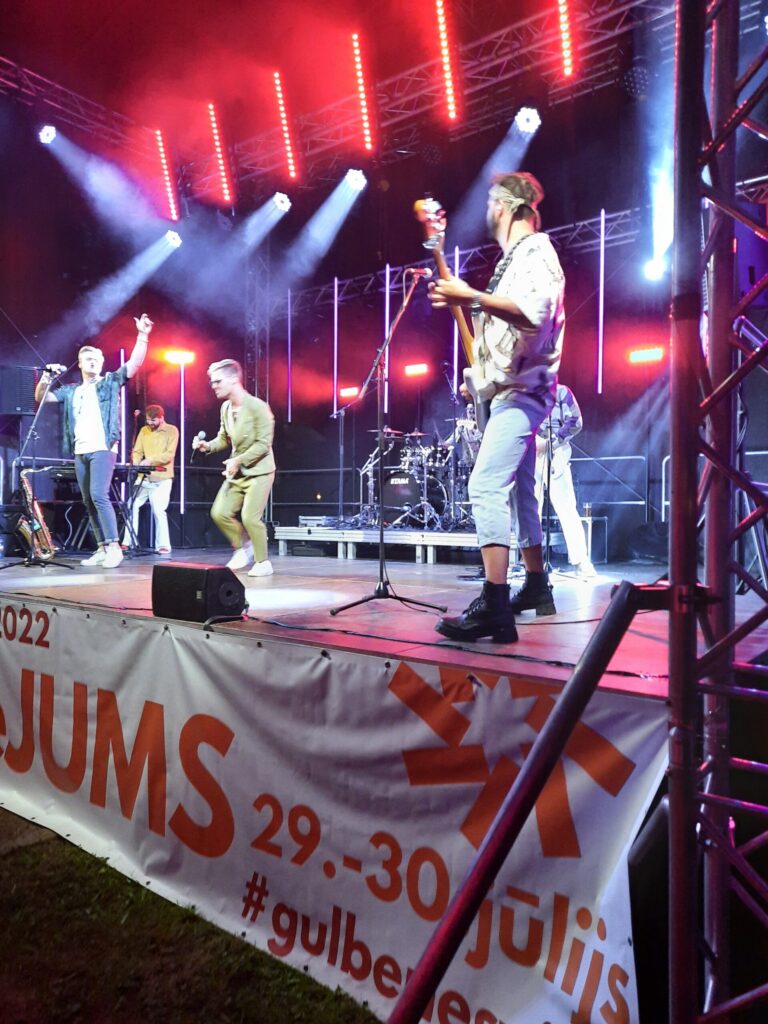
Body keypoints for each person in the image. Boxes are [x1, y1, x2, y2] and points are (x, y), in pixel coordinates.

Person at [428, 172, 565, 641]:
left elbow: (535, 318)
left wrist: (471, 296)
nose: (487, 210)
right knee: (521, 492)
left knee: (484, 484)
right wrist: (481, 378)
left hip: (524, 393)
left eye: (490, 202)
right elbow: (502, 334)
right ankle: (537, 586)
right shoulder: (515, 260)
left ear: (505, 206)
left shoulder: (536, 252)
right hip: (514, 389)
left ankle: (494, 603)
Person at [34, 314, 154, 569]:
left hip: (102, 448)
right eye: (88, 359)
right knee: (88, 500)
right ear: (79, 364)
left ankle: (114, 548)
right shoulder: (72, 390)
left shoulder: (109, 382)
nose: (93, 362)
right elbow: (43, 398)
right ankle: (101, 547)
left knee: (99, 495)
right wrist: (46, 377)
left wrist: (142, 335)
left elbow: (134, 363)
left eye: (97, 359)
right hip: (81, 450)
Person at [193, 359, 276, 577]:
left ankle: (263, 561)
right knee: (219, 512)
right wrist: (207, 446)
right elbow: (224, 438)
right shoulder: (226, 408)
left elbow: (263, 444)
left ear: (233, 379)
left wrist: (238, 460)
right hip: (237, 471)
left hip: (259, 470)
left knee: (250, 517)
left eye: (218, 381)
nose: (214, 386)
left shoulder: (258, 407)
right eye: (212, 382)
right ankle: (243, 547)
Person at [534, 383, 595, 578]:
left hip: (556, 453)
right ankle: (530, 564)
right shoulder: (523, 393)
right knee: (530, 511)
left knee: (567, 508)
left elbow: (576, 421)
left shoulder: (561, 392)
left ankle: (581, 561)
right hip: (530, 455)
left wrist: (551, 441)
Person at [122, 404, 179, 555]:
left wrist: (150, 460)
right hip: (144, 478)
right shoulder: (144, 430)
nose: (150, 423)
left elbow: (169, 455)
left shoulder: (172, 430)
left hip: (162, 478)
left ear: (161, 418)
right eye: (148, 420)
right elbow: (137, 451)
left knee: (159, 510)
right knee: (131, 505)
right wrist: (136, 462)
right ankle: (128, 542)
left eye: (153, 420)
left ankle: (163, 545)